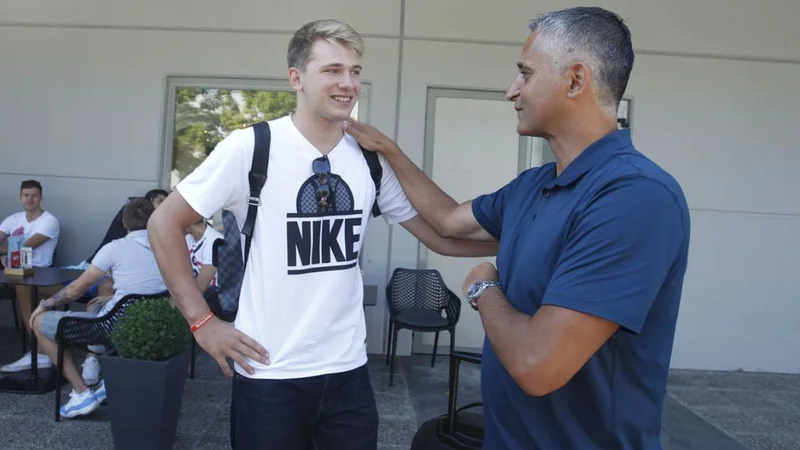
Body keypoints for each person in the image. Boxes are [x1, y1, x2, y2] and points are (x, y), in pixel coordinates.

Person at [344, 7, 691, 449]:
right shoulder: (536, 185)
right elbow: (448, 226)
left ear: (575, 80)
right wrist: (387, 153)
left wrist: (483, 291)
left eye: (525, 74)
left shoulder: (635, 197)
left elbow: (537, 365)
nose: (512, 91)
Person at [147, 19, 497, 450]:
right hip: (269, 372)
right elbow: (163, 223)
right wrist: (202, 323)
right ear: (296, 78)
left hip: (347, 370)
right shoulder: (252, 147)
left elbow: (441, 236)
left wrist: (532, 240)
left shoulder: (369, 161)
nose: (347, 83)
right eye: (332, 70)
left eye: (354, 71)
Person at [28, 197, 167, 419]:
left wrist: (44, 305)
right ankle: (107, 381)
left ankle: (82, 393)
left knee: (39, 322)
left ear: (123, 222)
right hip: (152, 325)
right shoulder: (168, 247)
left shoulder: (114, 248)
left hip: (113, 327)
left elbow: (75, 290)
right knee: (94, 308)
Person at [0, 179, 60, 373]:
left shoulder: (49, 220)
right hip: (13, 272)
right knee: (19, 283)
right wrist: (6, 252)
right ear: (20, 197)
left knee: (23, 287)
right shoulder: (13, 219)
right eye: (26, 195)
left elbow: (24, 247)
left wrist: (5, 251)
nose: (30, 199)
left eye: (34, 195)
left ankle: (38, 353)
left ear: (41, 197)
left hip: (40, 274)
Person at [184, 218, 224, 315]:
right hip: (201, 294)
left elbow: (201, 287)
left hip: (216, 297)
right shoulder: (188, 238)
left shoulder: (214, 242)